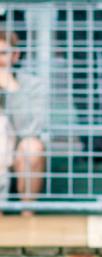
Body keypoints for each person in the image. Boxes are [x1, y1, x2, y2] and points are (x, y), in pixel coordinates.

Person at [0, 30, 46, 215]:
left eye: (3, 53)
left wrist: (11, 88)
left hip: (17, 150)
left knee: (32, 147)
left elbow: (30, 129)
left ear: (15, 55)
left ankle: (27, 214)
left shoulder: (32, 84)